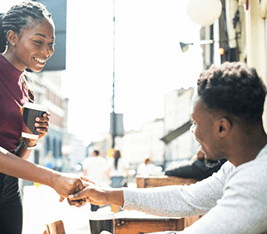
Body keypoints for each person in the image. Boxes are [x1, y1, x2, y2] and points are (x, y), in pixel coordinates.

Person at [69, 62, 267, 234]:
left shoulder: (258, 178)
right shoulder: (241, 165)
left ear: (222, 127)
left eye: (196, 123)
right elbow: (187, 199)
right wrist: (106, 195)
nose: (193, 132)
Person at [0, 0, 87, 234]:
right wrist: (53, 179)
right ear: (12, 37)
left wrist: (32, 139)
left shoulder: (27, 89)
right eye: (38, 42)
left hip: (9, 188)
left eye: (50, 44)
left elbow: (17, 156)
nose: (47, 51)